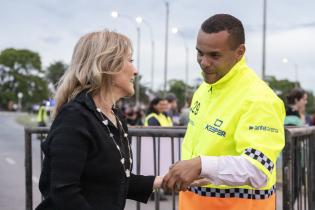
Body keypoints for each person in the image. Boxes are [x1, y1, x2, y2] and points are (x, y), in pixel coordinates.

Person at [162, 14, 285, 210]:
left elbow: (259, 169)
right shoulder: (204, 89)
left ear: (240, 52)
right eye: (199, 53)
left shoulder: (260, 98)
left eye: (214, 55)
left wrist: (201, 165)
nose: (203, 62)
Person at [35, 30, 163, 210]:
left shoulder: (115, 116)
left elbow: (113, 180)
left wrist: (164, 181)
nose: (135, 70)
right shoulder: (75, 117)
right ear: (107, 65)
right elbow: (64, 193)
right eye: (130, 60)